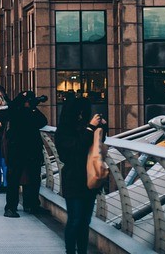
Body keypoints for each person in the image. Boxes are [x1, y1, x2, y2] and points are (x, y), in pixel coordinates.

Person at [54, 95, 106, 254]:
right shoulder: (63, 130)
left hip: (89, 179)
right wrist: (90, 128)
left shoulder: (83, 126)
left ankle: (82, 251)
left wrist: (101, 128)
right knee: (75, 219)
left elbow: (96, 146)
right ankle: (70, 251)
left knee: (85, 221)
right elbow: (76, 148)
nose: (81, 116)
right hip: (73, 179)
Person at [3, 90, 48, 218]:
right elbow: (15, 111)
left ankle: (31, 205)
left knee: (33, 178)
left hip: (29, 150)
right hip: (18, 150)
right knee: (14, 180)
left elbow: (43, 121)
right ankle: (11, 207)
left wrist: (32, 107)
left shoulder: (29, 112)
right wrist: (28, 106)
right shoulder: (15, 111)